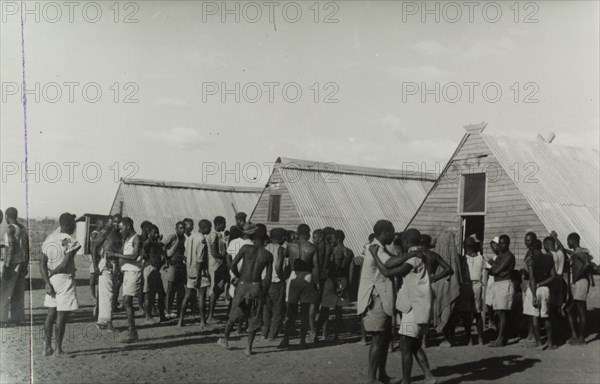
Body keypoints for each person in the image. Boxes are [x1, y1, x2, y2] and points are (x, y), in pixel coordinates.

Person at [369, 228, 439, 384]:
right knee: (414, 345)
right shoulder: (422, 255)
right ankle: (429, 376)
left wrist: (375, 255)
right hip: (417, 305)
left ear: (407, 242)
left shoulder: (413, 259)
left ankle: (407, 381)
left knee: (406, 346)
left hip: (414, 308)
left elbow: (388, 272)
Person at [218, 225, 273, 355]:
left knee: (234, 312)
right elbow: (268, 278)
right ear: (264, 240)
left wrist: (237, 276)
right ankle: (248, 347)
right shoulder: (268, 255)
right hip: (256, 285)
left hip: (243, 284)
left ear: (253, 238)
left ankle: (225, 339)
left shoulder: (246, 248)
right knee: (254, 316)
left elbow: (232, 264)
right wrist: (264, 291)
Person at [357, 220, 397, 384]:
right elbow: (389, 264)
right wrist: (410, 255)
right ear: (385, 233)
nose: (394, 236)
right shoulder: (376, 249)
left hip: (382, 298)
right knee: (378, 339)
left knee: (385, 338)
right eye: (392, 232)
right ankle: (371, 378)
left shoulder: (379, 249)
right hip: (376, 299)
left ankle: (381, 375)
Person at [40, 213, 81, 356]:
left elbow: (42, 264)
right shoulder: (67, 240)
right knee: (61, 316)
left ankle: (46, 347)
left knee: (50, 315)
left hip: (51, 281)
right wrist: (54, 272)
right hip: (63, 279)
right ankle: (58, 348)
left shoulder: (50, 239)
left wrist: (46, 281)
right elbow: (65, 264)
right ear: (70, 224)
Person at [279, 224, 320, 347]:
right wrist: (317, 283)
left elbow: (285, 256)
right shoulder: (312, 247)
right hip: (307, 276)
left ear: (297, 232)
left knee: (290, 310)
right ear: (308, 233)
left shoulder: (291, 246)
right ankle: (302, 340)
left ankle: (286, 339)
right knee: (305, 311)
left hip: (294, 275)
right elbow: (316, 267)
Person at [107, 217, 143, 343]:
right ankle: (132, 330)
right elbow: (124, 254)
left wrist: (116, 255)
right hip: (126, 273)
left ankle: (132, 331)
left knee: (127, 301)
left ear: (128, 226)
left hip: (134, 272)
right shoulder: (127, 239)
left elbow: (134, 255)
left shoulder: (136, 238)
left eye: (122, 228)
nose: (120, 230)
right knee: (126, 302)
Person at [317, 230, 354, 342]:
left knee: (325, 308)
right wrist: (348, 284)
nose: (331, 240)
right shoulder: (349, 252)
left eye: (332, 238)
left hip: (331, 281)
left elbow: (327, 267)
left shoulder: (333, 251)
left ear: (338, 239)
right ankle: (336, 336)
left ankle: (322, 333)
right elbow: (351, 270)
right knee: (339, 311)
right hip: (343, 281)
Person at [523, 238, 557, 350]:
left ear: (532, 248)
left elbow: (532, 278)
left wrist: (533, 295)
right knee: (546, 317)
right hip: (545, 289)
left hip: (534, 289)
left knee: (535, 317)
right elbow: (553, 276)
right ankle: (550, 343)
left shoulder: (531, 260)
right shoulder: (549, 258)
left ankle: (539, 343)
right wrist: (542, 283)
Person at [565, 232, 595, 345]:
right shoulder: (577, 253)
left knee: (581, 311)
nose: (567, 242)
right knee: (569, 309)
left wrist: (578, 276)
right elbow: (567, 251)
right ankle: (575, 335)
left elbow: (587, 264)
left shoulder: (581, 252)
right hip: (578, 283)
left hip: (581, 282)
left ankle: (581, 338)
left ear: (573, 241)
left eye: (568, 240)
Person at [178, 219, 209, 327]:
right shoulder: (201, 240)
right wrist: (199, 276)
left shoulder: (190, 237)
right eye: (209, 228)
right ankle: (203, 321)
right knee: (201, 297)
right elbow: (200, 259)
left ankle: (180, 320)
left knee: (187, 295)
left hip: (190, 270)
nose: (210, 230)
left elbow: (186, 256)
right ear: (204, 228)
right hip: (199, 272)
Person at [0, 207, 29, 323]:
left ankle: (2, 319)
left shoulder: (10, 229)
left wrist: (7, 266)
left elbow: (11, 248)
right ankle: (18, 318)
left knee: (5, 292)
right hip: (21, 263)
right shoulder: (23, 228)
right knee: (18, 293)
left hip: (12, 264)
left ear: (7, 216)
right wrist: (26, 265)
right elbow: (26, 248)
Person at [486, 234, 516, 347]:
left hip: (504, 285)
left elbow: (494, 270)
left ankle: (501, 339)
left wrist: (494, 266)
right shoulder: (500, 256)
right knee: (499, 313)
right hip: (498, 284)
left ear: (508, 244)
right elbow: (493, 271)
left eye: (503, 243)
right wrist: (495, 269)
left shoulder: (508, 256)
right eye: (500, 243)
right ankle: (501, 337)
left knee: (503, 313)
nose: (501, 245)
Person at [261, 227, 286, 341]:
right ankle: (272, 334)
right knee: (277, 309)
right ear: (282, 238)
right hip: (276, 281)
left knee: (266, 308)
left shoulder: (265, 247)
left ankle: (264, 333)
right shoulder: (280, 249)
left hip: (265, 281)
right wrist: (282, 276)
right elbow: (278, 265)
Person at [96, 217, 119, 332]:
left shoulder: (119, 235)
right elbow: (94, 247)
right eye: (113, 221)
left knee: (108, 294)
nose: (116, 224)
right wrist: (96, 265)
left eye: (117, 222)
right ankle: (109, 323)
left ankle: (101, 321)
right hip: (106, 265)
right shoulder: (105, 233)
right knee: (108, 294)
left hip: (115, 266)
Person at [351, 233, 374, 346]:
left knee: (363, 311)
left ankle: (364, 339)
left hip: (366, 284)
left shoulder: (368, 251)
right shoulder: (379, 251)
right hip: (373, 284)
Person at [142, 224, 167, 324]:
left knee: (161, 293)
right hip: (149, 269)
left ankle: (162, 315)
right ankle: (148, 317)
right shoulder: (148, 243)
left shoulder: (155, 243)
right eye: (154, 233)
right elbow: (145, 254)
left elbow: (162, 254)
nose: (156, 235)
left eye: (157, 233)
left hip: (156, 270)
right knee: (149, 294)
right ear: (148, 234)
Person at [162, 221, 187, 318]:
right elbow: (161, 245)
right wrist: (166, 259)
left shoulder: (184, 238)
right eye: (180, 228)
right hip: (172, 264)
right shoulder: (172, 236)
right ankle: (167, 310)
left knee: (179, 288)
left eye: (184, 228)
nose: (182, 230)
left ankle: (176, 309)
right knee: (170, 288)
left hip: (180, 264)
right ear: (176, 229)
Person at [206, 216, 228, 324]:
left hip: (216, 265)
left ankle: (211, 314)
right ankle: (210, 315)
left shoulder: (217, 235)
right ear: (218, 224)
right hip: (215, 265)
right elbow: (214, 252)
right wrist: (225, 259)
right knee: (214, 290)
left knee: (217, 289)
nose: (225, 226)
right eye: (224, 223)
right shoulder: (214, 235)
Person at [483, 237, 500, 331]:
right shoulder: (493, 258)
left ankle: (496, 323)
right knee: (489, 303)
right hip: (491, 282)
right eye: (492, 247)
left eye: (495, 246)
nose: (493, 249)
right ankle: (492, 321)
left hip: (498, 282)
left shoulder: (502, 257)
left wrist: (491, 264)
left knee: (497, 304)